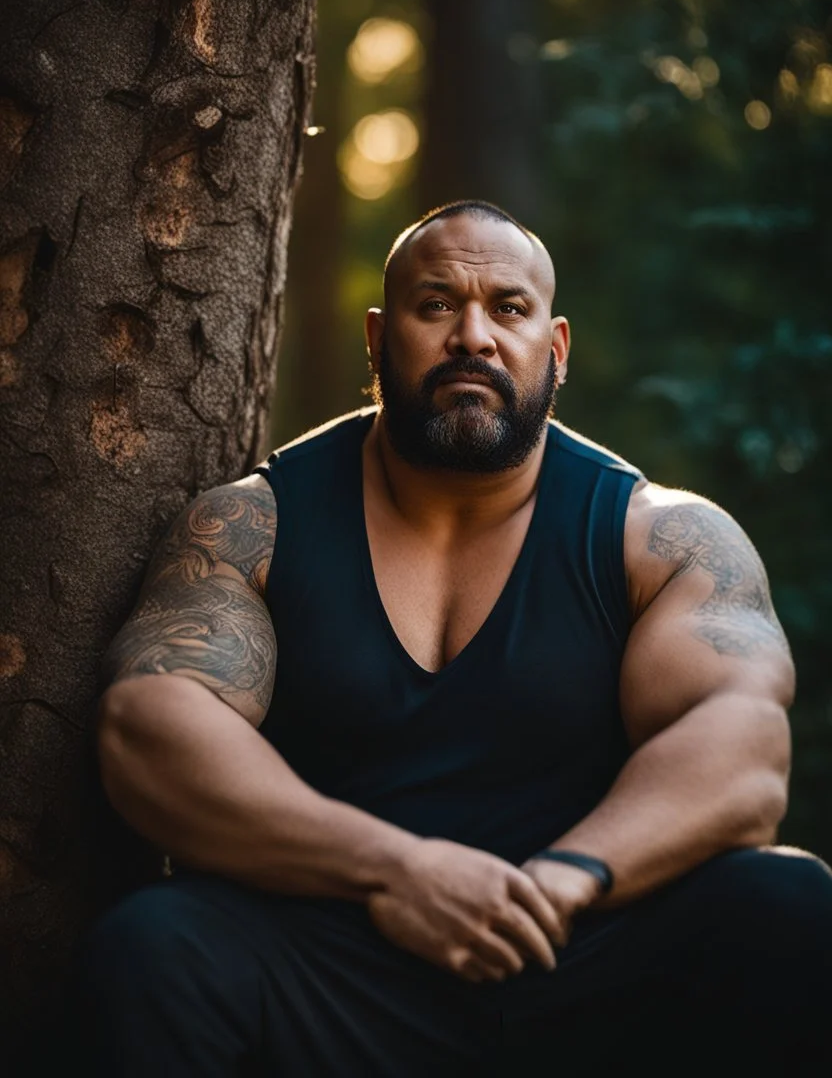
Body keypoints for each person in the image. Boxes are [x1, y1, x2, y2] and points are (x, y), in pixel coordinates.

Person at [77, 201, 832, 1076]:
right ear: (377, 336)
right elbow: (150, 735)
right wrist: (396, 872)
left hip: (576, 953)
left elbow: (743, 755)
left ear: (554, 350)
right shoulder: (253, 525)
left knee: (786, 901)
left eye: (507, 309)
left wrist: (563, 881)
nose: (472, 336)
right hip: (331, 965)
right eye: (436, 305)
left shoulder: (658, 539)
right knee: (154, 946)